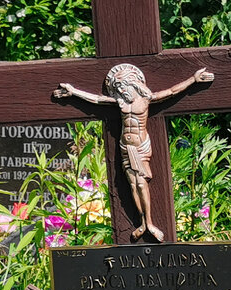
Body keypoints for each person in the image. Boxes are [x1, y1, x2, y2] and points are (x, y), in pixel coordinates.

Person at [54, 64, 213, 241]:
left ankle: (150, 223)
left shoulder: (146, 99)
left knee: (141, 184)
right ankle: (142, 223)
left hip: (140, 146)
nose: (121, 91)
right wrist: (74, 92)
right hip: (125, 146)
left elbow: (171, 91)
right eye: (118, 88)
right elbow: (97, 100)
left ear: (134, 84)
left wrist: (193, 79)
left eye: (123, 87)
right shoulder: (121, 101)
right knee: (132, 185)